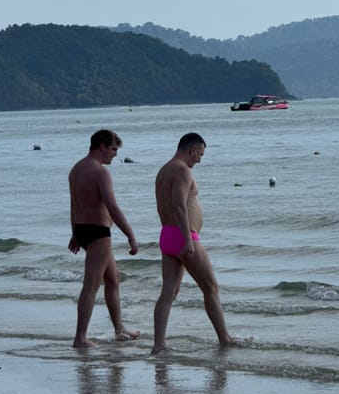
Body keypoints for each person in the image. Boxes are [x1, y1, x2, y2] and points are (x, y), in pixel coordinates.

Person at [152, 132, 244, 354]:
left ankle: (159, 346)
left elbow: (163, 206)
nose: (200, 160)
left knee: (168, 292)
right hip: (184, 236)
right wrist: (186, 240)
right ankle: (225, 339)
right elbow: (178, 205)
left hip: (167, 234)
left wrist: (176, 237)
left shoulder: (163, 170)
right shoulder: (182, 170)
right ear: (192, 150)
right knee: (210, 287)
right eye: (200, 154)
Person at [69, 129, 140, 348]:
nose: (115, 154)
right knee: (91, 285)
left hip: (83, 229)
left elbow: (74, 204)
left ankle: (119, 329)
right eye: (113, 149)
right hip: (98, 233)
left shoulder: (76, 169)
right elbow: (113, 208)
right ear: (102, 146)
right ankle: (80, 338)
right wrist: (131, 236)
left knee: (113, 278)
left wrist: (75, 233)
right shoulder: (100, 172)